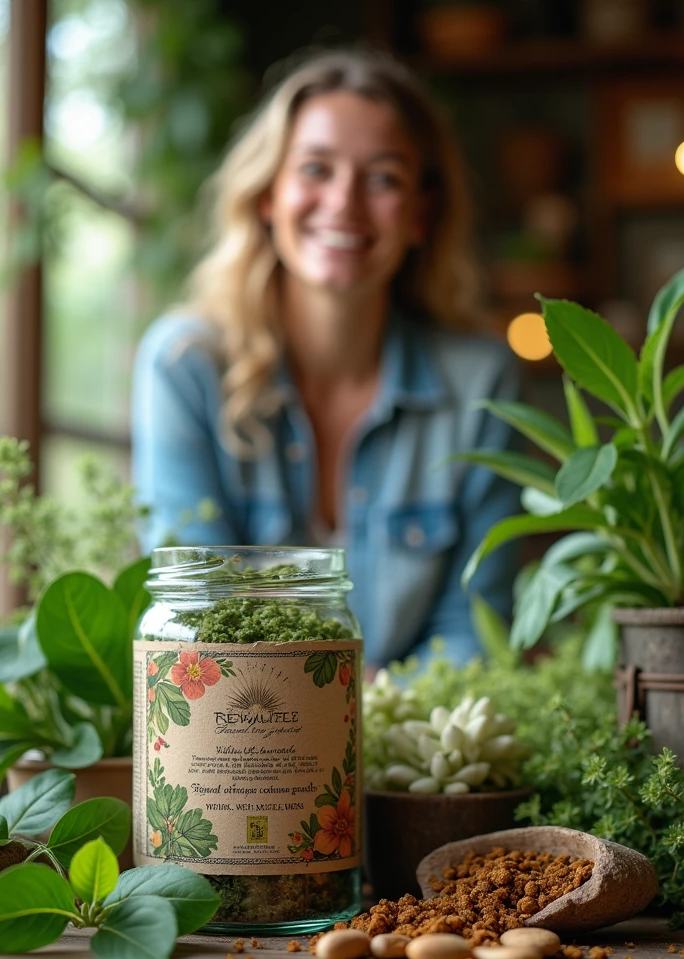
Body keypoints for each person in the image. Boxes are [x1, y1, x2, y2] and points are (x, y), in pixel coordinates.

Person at [132, 46, 521, 674]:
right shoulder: (184, 364)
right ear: (267, 195)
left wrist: (363, 726)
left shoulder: (482, 383)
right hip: (237, 748)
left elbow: (474, 628)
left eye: (385, 177)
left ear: (421, 213)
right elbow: (194, 612)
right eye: (316, 168)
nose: (344, 202)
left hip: (415, 756)